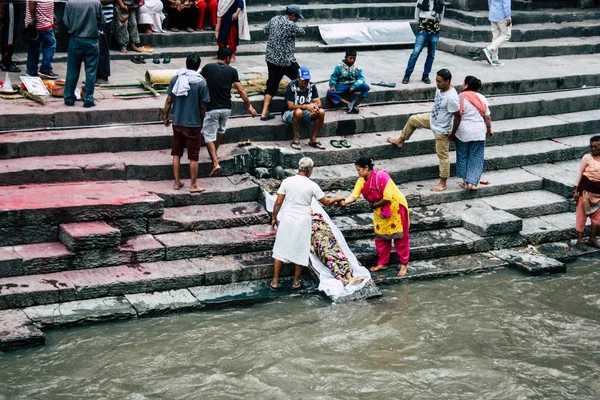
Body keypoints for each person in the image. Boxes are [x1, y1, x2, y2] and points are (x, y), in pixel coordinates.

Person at [270, 157, 345, 291]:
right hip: (303, 220)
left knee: (280, 249)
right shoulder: (312, 185)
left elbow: (278, 202)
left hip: (288, 218)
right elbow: (326, 202)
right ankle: (296, 282)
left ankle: (275, 282)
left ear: (299, 168)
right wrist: (337, 198)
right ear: (310, 171)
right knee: (301, 249)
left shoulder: (287, 181)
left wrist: (274, 217)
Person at [387, 68, 460, 192]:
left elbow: (458, 116)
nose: (437, 84)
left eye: (440, 82)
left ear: (447, 81)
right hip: (432, 119)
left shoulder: (452, 97)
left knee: (443, 156)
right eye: (436, 81)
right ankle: (400, 140)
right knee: (413, 120)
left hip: (442, 129)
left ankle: (443, 183)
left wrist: (453, 132)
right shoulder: (440, 88)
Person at [339, 157, 410, 276]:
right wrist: (344, 202)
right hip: (379, 209)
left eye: (359, 170)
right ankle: (382, 263)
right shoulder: (361, 181)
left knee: (400, 238)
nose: (358, 173)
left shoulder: (382, 176)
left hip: (395, 206)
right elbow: (354, 195)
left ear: (366, 168)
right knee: (381, 238)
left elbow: (388, 197)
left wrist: (374, 205)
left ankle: (404, 265)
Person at [200, 47, 258, 177]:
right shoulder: (232, 71)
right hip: (226, 108)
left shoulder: (208, 67)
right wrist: (249, 106)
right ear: (228, 58)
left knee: (208, 134)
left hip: (212, 107)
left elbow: (199, 81)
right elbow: (241, 90)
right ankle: (214, 154)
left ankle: (215, 162)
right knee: (221, 130)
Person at [163, 54, 211, 193]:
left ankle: (177, 183)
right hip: (193, 123)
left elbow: (168, 101)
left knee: (176, 153)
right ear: (198, 66)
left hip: (177, 122)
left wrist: (166, 116)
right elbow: (203, 106)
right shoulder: (200, 82)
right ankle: (193, 185)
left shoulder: (176, 78)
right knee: (193, 156)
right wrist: (201, 121)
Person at [260, 4, 305, 121]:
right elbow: (302, 32)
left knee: (271, 85)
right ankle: (303, 106)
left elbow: (265, 31)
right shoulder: (291, 25)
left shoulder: (274, 19)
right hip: (286, 61)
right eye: (297, 18)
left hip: (271, 58)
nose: (297, 20)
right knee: (302, 79)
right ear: (293, 15)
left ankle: (264, 113)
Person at [450, 75, 493, 191]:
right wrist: (489, 130)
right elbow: (487, 117)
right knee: (476, 157)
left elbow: (458, 116)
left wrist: (452, 132)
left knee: (462, 155)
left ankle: (465, 182)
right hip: (479, 131)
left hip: (463, 130)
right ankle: (473, 183)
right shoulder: (482, 98)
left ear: (467, 85)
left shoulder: (461, 97)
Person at [63, 0, 105, 108]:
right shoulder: (96, 3)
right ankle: (88, 99)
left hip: (75, 39)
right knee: (91, 72)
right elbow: (102, 21)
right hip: (91, 40)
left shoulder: (70, 3)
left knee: (72, 71)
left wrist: (74, 29)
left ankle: (69, 98)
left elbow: (65, 21)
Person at [310, 211, 364, 286]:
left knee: (336, 250)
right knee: (326, 253)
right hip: (312, 229)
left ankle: (349, 277)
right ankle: (340, 278)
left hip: (319, 226)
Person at [402, 0, 445, 85]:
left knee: (431, 55)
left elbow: (441, 18)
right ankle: (407, 74)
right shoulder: (421, 1)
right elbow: (416, 16)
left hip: (434, 32)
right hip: (422, 31)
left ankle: (426, 75)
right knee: (415, 53)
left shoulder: (441, 3)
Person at [283, 66, 325, 150]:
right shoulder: (291, 86)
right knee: (298, 112)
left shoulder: (312, 85)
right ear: (298, 78)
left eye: (307, 79)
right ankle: (296, 139)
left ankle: (313, 139)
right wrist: (305, 106)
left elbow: (319, 102)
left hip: (305, 113)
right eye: (303, 79)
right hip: (289, 113)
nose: (305, 81)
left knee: (321, 112)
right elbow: (290, 106)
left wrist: (315, 107)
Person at [574, 136, 600, 250]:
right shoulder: (587, 158)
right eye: (592, 147)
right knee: (581, 216)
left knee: (597, 219)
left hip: (598, 193)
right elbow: (579, 173)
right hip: (585, 192)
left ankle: (592, 239)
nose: (593, 149)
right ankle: (580, 240)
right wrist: (576, 190)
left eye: (596, 147)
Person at [327, 48, 370, 114]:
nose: (352, 60)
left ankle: (356, 104)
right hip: (342, 85)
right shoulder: (339, 67)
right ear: (346, 57)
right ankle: (348, 103)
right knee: (330, 92)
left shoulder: (357, 67)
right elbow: (334, 77)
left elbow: (361, 78)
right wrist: (332, 85)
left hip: (353, 85)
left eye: (354, 58)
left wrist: (354, 86)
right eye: (350, 58)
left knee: (366, 87)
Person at [25, 0, 58, 79]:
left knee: (34, 46)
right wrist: (33, 19)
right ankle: (45, 69)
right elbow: (32, 2)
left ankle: (31, 71)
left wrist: (51, 14)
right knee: (50, 44)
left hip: (41, 20)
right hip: (42, 22)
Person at [482, 0, 511, 66]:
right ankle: (489, 49)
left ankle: (494, 58)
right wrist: (508, 17)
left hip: (493, 14)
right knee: (507, 35)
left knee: (496, 36)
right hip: (502, 16)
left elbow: (489, 1)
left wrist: (491, 10)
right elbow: (506, 4)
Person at [1, 1, 21, 72]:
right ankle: (7, 62)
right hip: (10, 4)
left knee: (11, 31)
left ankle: (6, 60)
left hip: (13, 4)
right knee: (10, 33)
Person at [97, 0, 114, 85]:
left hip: (105, 20)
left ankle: (104, 76)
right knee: (95, 50)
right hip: (94, 19)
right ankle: (95, 76)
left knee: (103, 49)